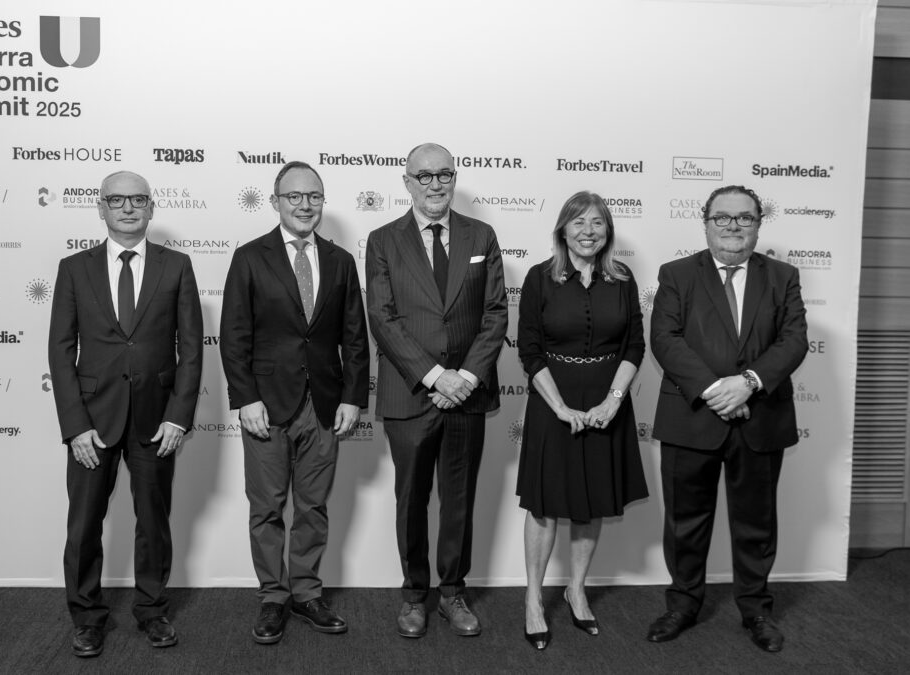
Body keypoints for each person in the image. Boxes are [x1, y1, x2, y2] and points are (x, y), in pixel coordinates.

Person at [48, 170, 204, 657]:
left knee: (153, 523)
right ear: (101, 209)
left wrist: (178, 417)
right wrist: (75, 426)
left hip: (156, 421)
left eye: (138, 199)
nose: (128, 208)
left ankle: (152, 611)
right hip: (92, 423)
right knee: (83, 525)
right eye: (117, 201)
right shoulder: (74, 268)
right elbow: (60, 350)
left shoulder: (177, 266)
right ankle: (86, 617)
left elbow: (192, 349)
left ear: (152, 207)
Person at [647, 185, 808, 653]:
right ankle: (682, 605)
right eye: (723, 217)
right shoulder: (677, 274)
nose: (733, 226)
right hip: (692, 418)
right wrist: (719, 391)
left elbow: (794, 340)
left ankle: (756, 610)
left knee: (756, 524)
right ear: (706, 223)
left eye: (744, 218)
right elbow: (665, 338)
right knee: (685, 522)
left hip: (760, 420)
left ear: (758, 224)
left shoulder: (783, 276)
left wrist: (750, 382)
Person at [220, 161, 369, 645]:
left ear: (323, 202)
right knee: (266, 508)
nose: (305, 205)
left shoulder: (340, 260)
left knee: (312, 506)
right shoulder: (249, 257)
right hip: (265, 405)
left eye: (314, 196)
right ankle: (273, 597)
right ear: (275, 202)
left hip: (324, 404)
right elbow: (233, 337)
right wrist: (245, 398)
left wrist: (353, 398)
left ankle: (306, 594)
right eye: (294, 196)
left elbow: (355, 337)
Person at [366, 142, 508, 639]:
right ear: (407, 182)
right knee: (411, 499)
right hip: (411, 393)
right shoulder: (382, 240)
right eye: (423, 175)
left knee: (459, 498)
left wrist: (463, 378)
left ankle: (452, 592)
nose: (434, 184)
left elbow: (495, 313)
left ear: (454, 178)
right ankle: (413, 595)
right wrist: (434, 376)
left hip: (467, 395)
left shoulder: (481, 235)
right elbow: (382, 318)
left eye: (443, 174)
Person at [516, 192, 648, 650]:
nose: (588, 231)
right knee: (543, 504)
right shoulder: (539, 277)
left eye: (597, 223)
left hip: (606, 406)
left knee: (590, 501)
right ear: (563, 229)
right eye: (579, 222)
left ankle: (576, 590)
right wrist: (558, 407)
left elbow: (635, 346)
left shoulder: (622, 278)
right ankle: (533, 599)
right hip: (552, 402)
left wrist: (613, 402)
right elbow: (529, 350)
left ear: (607, 231)